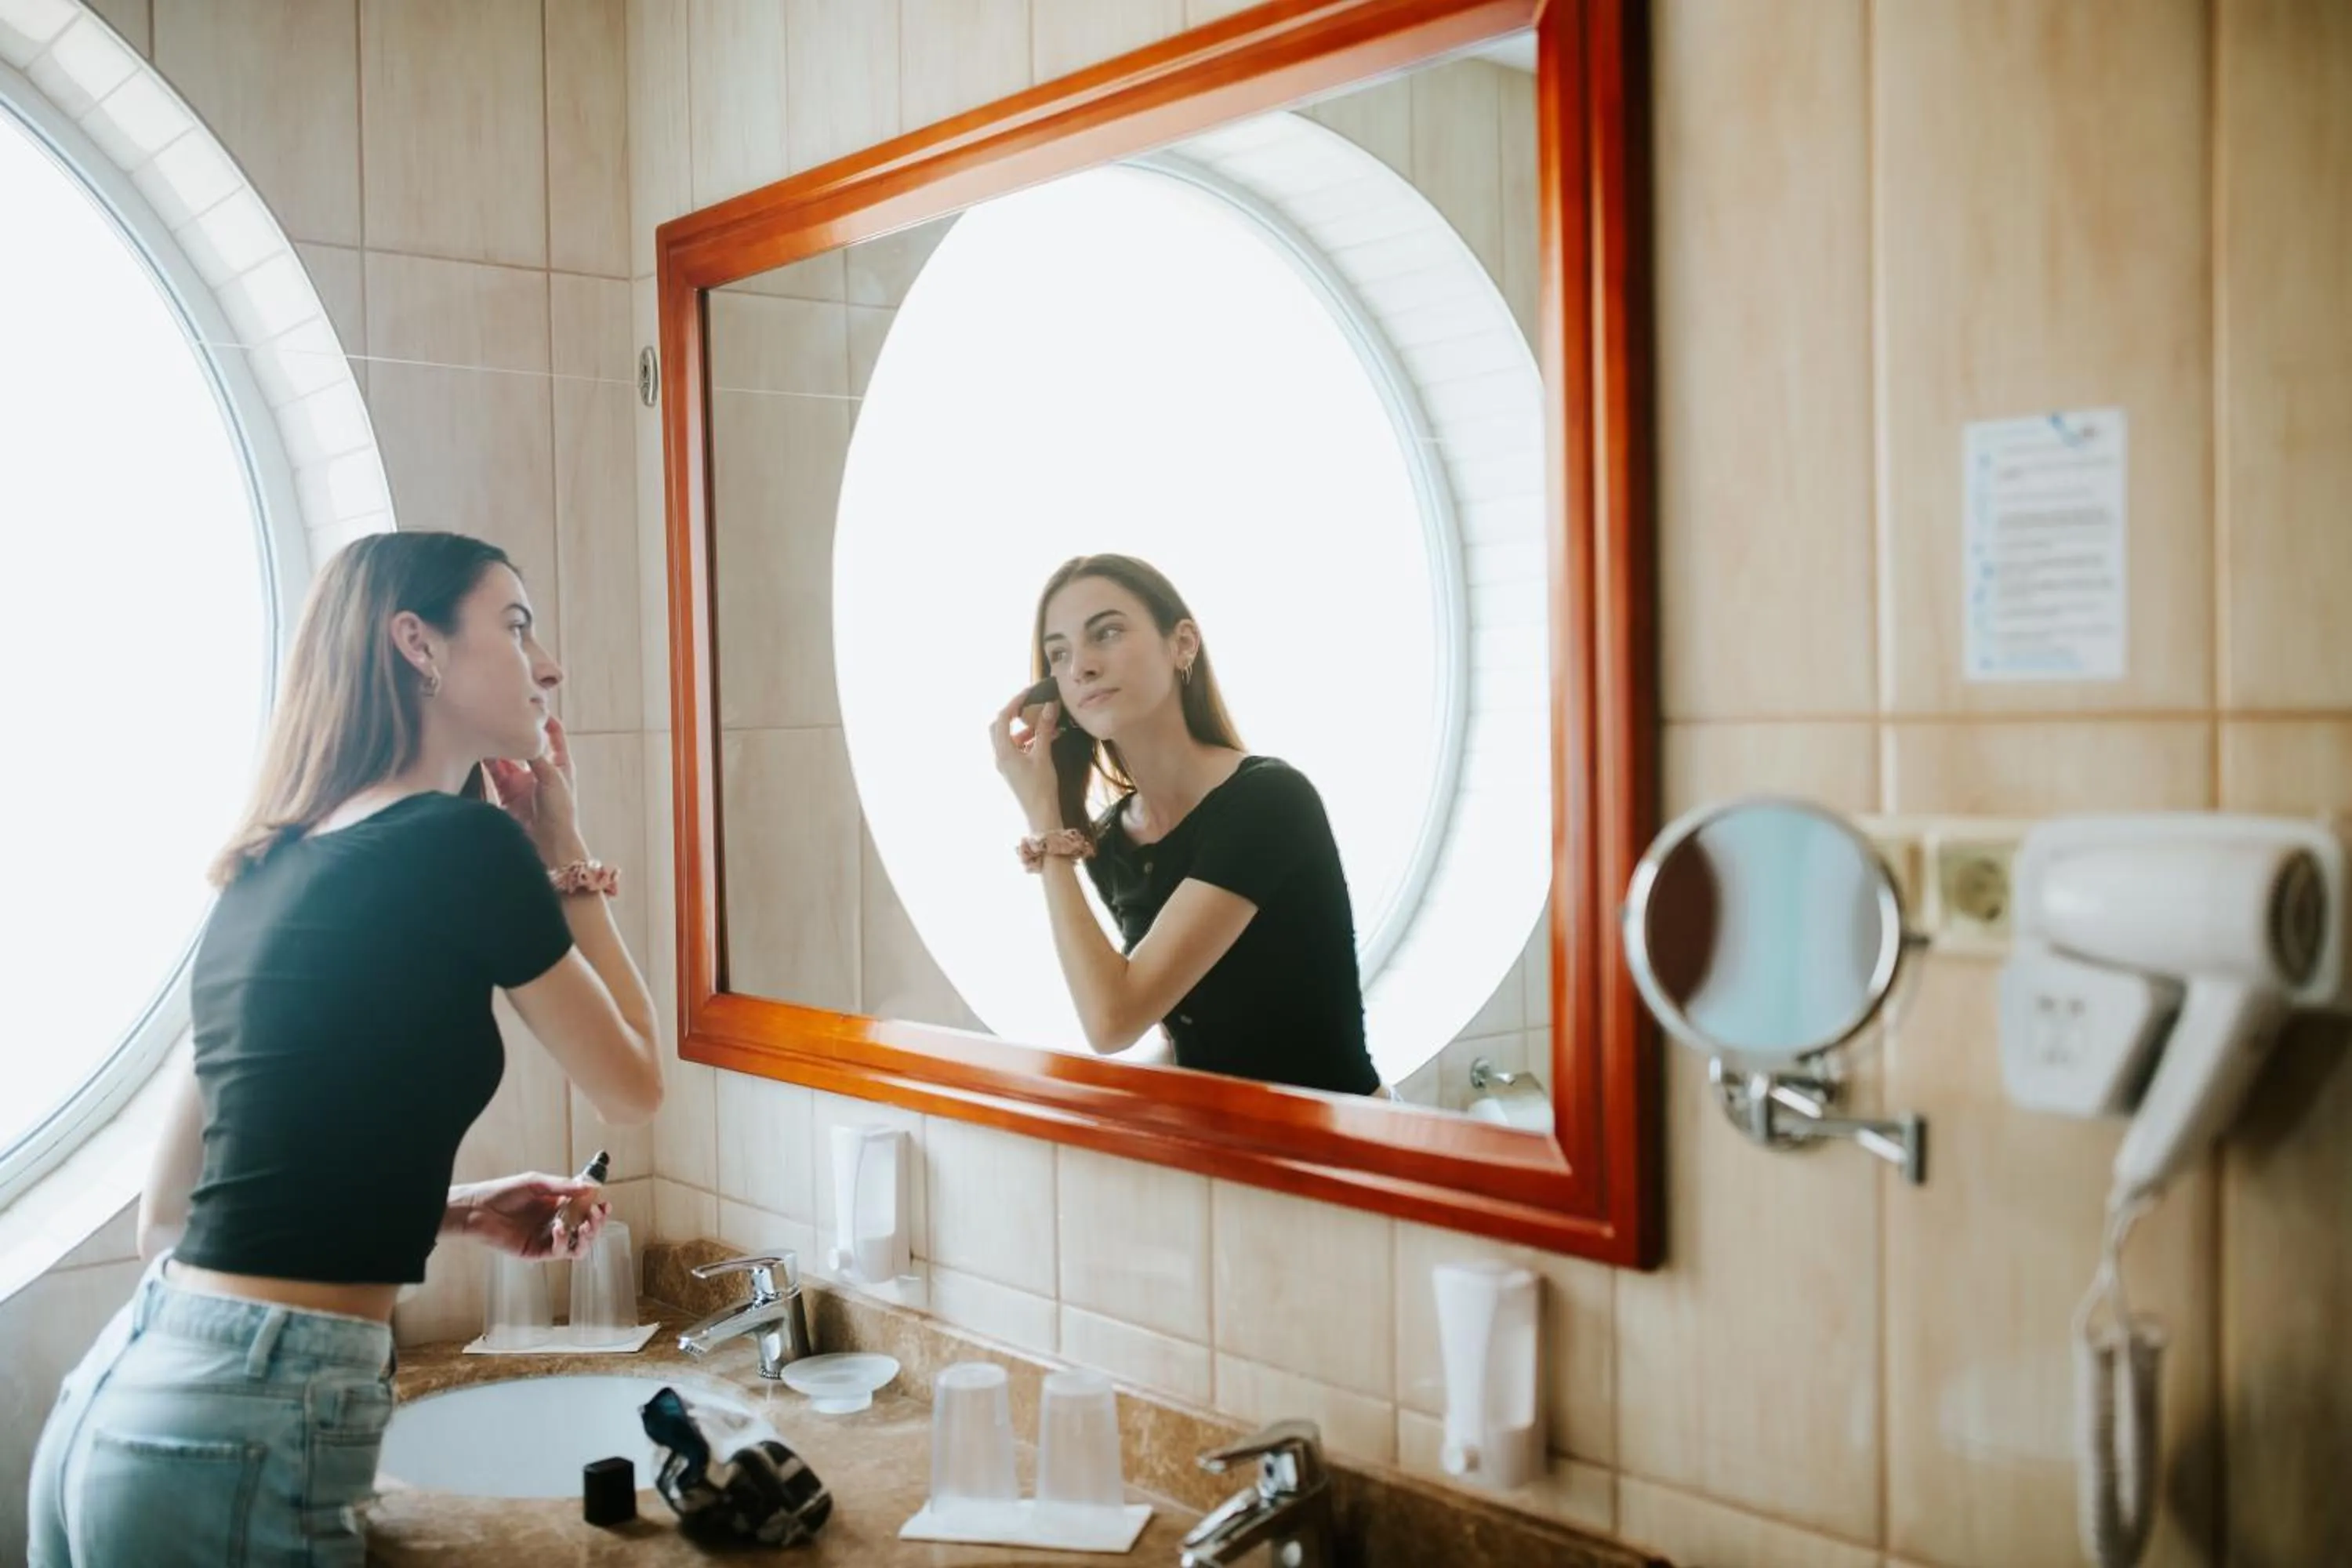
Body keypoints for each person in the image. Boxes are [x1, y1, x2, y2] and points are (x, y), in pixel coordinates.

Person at [27, 532, 666, 1567]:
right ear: (418, 644)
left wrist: (457, 1211)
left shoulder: (267, 862)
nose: (547, 665)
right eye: (515, 626)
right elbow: (634, 1085)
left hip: (123, 1396)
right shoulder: (466, 843)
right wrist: (565, 847)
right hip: (247, 1421)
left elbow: (168, 1219)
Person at [992, 554, 1378, 1096]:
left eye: (1106, 633)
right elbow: (1183, 1034)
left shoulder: (1270, 801)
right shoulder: (1111, 841)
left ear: (1182, 644)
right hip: (1220, 1140)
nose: (1080, 667)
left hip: (1340, 1137)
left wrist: (1044, 821)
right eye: (1059, 653)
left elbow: (1112, 1022)